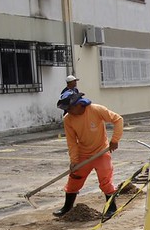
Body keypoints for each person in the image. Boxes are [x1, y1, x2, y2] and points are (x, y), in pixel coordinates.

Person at [53, 90, 124, 220]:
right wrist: (74, 160)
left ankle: (111, 207)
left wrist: (115, 140)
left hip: (101, 152)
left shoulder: (96, 110)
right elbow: (72, 141)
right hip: (83, 154)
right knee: (74, 179)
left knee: (105, 180)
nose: (68, 111)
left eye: (69, 108)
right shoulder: (68, 119)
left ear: (78, 104)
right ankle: (67, 207)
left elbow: (118, 120)